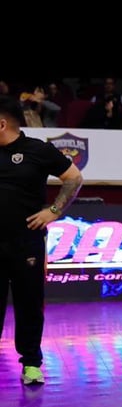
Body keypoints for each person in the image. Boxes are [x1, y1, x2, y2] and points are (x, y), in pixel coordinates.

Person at [0, 95, 83, 386]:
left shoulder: (37, 150)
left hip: (27, 244)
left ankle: (32, 363)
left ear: (2, 124)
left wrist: (54, 211)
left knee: (29, 304)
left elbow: (74, 178)